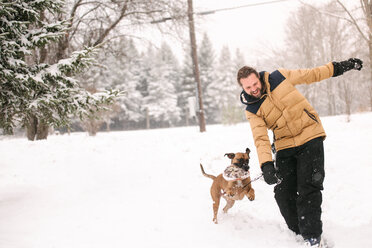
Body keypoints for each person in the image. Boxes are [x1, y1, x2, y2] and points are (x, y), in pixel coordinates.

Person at [237, 58, 363, 247]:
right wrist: (267, 164)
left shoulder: (279, 77)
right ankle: (298, 233)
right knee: (282, 193)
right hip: (285, 145)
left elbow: (312, 74)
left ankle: (312, 237)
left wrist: (340, 67)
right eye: (248, 88)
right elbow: (260, 138)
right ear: (243, 89)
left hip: (310, 135)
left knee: (308, 187)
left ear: (260, 78)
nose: (253, 89)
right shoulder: (252, 109)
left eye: (255, 83)